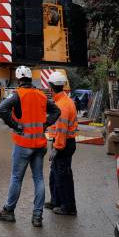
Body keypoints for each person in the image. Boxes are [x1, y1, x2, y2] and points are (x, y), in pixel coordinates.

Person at [0, 66, 60, 228]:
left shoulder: (18, 95)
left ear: (18, 79)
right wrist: (46, 124)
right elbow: (56, 111)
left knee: (17, 178)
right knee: (39, 179)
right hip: (39, 144)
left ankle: (8, 211)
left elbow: (1, 109)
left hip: (23, 144)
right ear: (30, 79)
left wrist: (15, 125)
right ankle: (37, 217)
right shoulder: (41, 95)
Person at [44, 71, 78, 216]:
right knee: (55, 174)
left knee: (63, 175)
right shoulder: (62, 101)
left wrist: (56, 148)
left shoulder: (62, 105)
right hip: (63, 143)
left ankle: (68, 207)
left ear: (51, 88)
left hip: (63, 144)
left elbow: (62, 130)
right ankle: (56, 201)